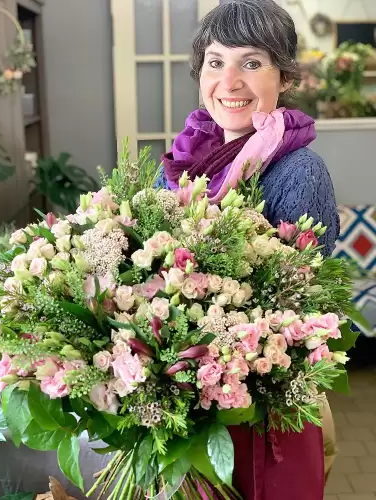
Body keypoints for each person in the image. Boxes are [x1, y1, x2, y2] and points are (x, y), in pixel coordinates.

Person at [157, 1, 339, 499]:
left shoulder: (300, 171)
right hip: (177, 397)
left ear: (284, 78)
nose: (230, 80)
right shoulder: (178, 161)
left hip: (260, 401)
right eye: (215, 62)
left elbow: (302, 303)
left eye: (252, 63)